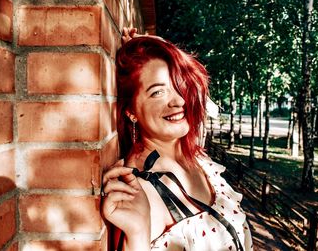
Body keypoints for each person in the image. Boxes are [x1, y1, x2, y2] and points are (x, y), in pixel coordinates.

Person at [100, 28, 253, 251]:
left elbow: (200, 95)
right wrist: (137, 234)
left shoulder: (195, 154)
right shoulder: (146, 190)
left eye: (178, 86)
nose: (179, 102)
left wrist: (150, 44)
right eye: (157, 92)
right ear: (131, 111)